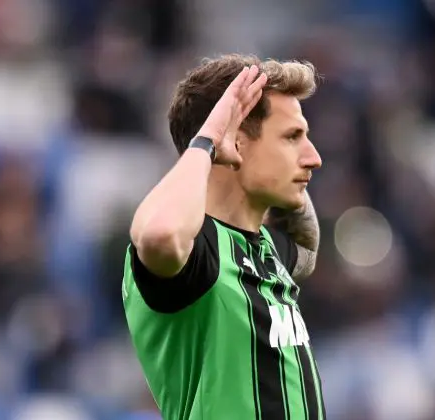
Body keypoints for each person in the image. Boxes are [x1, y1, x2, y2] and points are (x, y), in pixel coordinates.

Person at [122, 54, 325, 420]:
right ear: (236, 141)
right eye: (293, 137)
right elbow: (159, 236)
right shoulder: (199, 254)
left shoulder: (266, 249)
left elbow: (308, 248)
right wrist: (206, 142)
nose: (314, 158)